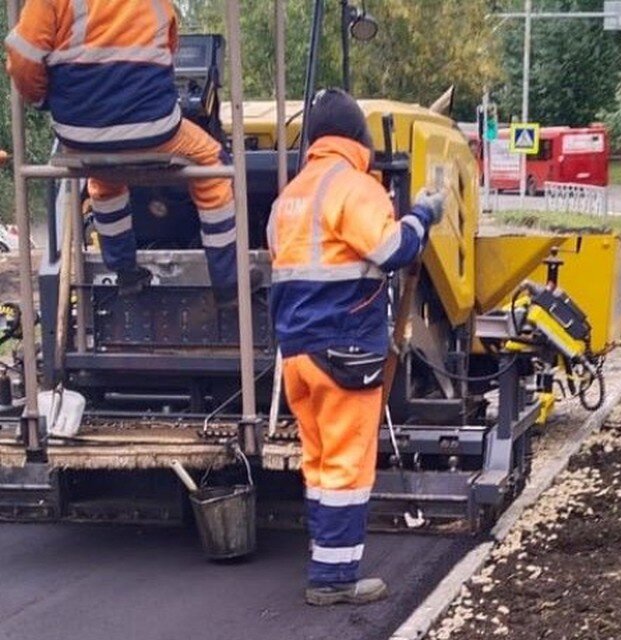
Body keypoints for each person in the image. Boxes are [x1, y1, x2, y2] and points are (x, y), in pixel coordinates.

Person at [268, 88, 446, 607]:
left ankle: (326, 559)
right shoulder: (354, 186)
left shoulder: (289, 197)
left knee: (321, 466)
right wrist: (421, 216)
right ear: (357, 138)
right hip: (345, 353)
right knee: (347, 468)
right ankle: (334, 580)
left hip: (298, 356)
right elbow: (391, 250)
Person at [5, 0, 244, 306]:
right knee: (214, 164)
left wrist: (40, 100)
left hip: (79, 133)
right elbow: (168, 53)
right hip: (154, 127)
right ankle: (227, 283)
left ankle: (125, 272)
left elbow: (22, 60)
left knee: (104, 179)